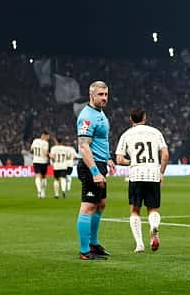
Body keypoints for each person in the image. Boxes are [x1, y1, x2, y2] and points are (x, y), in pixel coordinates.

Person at [115, 108, 169, 253]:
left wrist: (131, 162)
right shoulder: (156, 132)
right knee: (153, 209)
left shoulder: (126, 134)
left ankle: (139, 244)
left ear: (131, 119)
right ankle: (153, 227)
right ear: (144, 118)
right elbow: (165, 154)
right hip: (152, 174)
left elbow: (119, 159)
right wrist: (161, 173)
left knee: (134, 210)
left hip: (136, 175)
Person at [75, 81, 116, 260]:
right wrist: (95, 171)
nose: (104, 98)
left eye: (106, 94)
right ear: (91, 95)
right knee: (88, 207)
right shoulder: (87, 116)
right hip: (90, 166)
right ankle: (85, 251)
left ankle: (93, 243)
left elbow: (100, 141)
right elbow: (84, 146)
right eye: (101, 94)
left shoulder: (100, 113)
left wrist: (108, 159)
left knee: (101, 204)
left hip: (100, 163)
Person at [31, 131, 50, 198]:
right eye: (48, 136)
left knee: (37, 176)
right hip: (43, 161)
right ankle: (43, 192)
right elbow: (45, 152)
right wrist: (49, 155)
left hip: (36, 161)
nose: (48, 138)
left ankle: (38, 191)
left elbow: (32, 150)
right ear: (44, 135)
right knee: (44, 177)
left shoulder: (35, 141)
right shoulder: (45, 143)